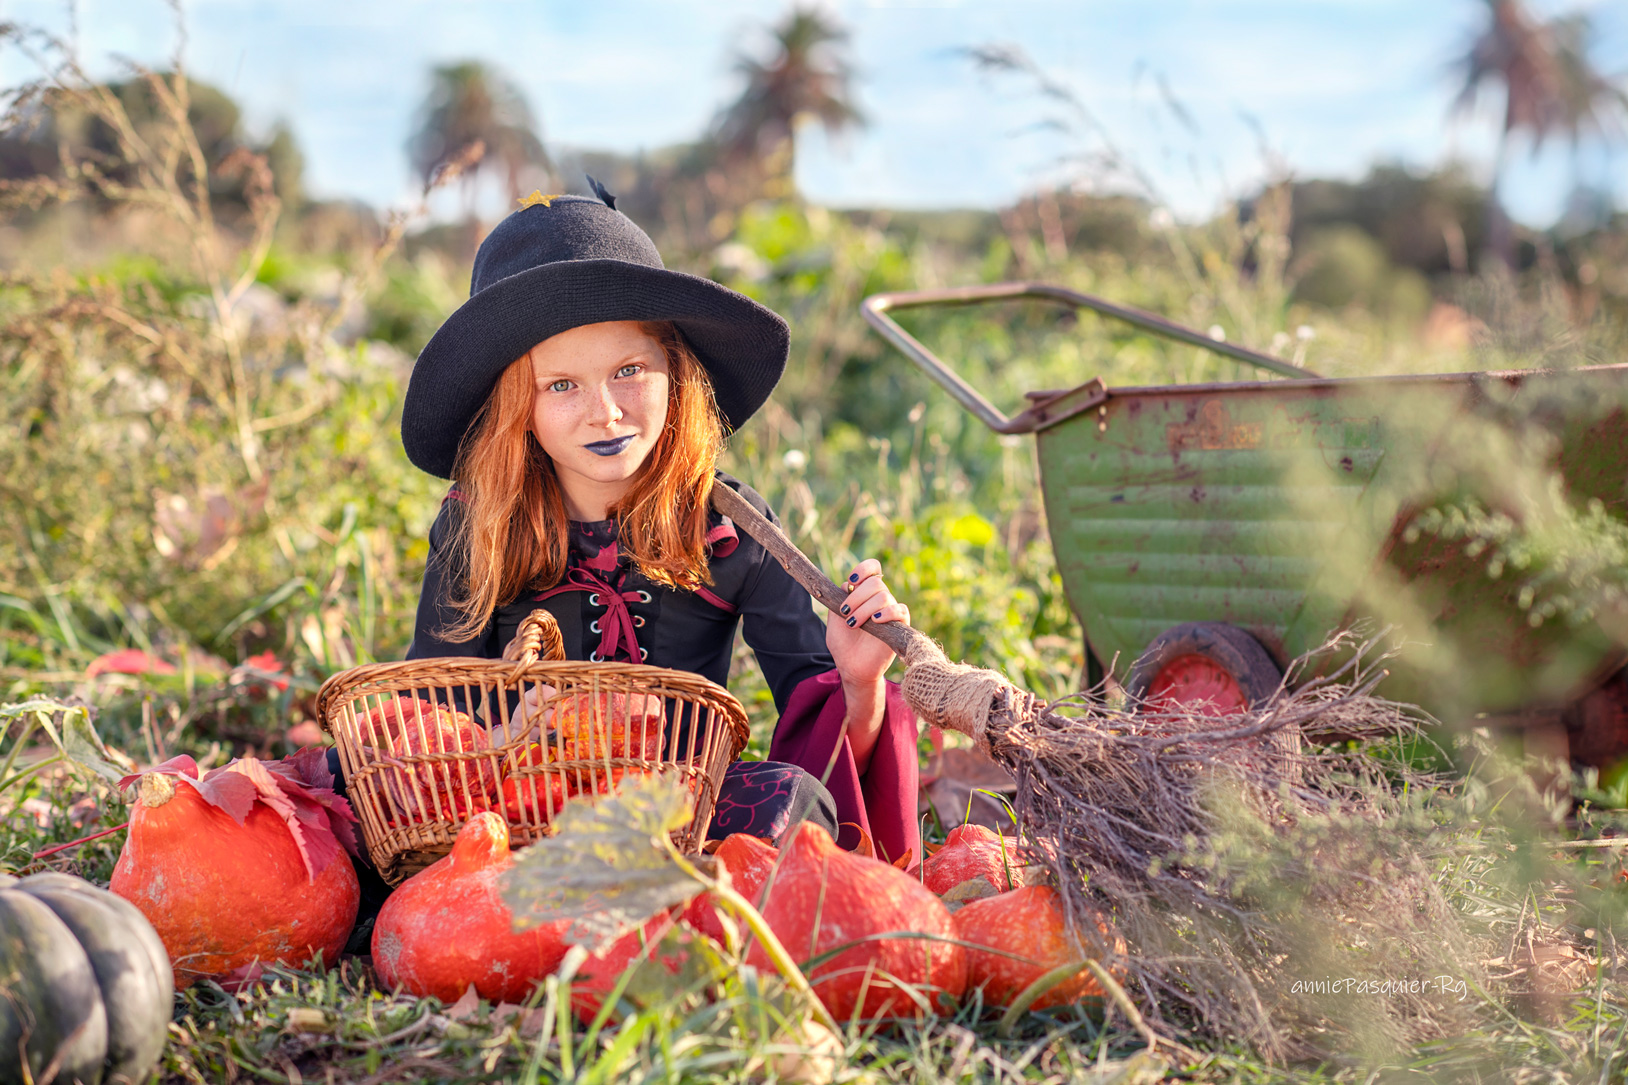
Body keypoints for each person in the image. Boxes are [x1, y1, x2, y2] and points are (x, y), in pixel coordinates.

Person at [394, 184, 921, 864]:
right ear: (516, 406)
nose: (606, 412)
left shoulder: (729, 528)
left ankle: (684, 885)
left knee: (793, 797)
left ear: (675, 372)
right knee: (354, 778)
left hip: (685, 815)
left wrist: (859, 680)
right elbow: (425, 719)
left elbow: (827, 750)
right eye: (562, 385)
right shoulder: (477, 525)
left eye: (629, 370)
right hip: (521, 813)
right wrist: (505, 739)